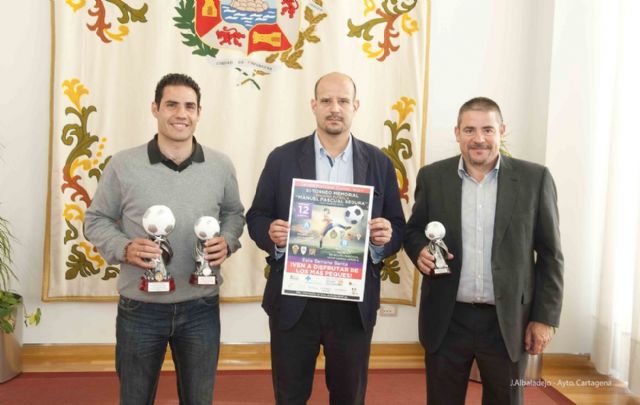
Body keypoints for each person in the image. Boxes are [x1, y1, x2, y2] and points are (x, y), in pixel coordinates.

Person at [84, 73, 245, 405]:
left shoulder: (220, 165)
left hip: (201, 305)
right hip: (140, 309)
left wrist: (227, 241)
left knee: (199, 399)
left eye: (189, 106)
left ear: (199, 112)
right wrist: (123, 247)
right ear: (155, 108)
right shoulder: (123, 164)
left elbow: (234, 214)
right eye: (172, 104)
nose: (180, 114)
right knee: (135, 398)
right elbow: (95, 220)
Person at [246, 72, 405, 405]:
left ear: (355, 106)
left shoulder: (378, 162)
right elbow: (257, 216)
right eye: (327, 101)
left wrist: (383, 239)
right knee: (290, 395)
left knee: (349, 396)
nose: (335, 108)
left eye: (343, 101)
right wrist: (273, 235)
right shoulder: (282, 158)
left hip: (352, 304)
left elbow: (397, 226)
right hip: (294, 302)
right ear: (314, 105)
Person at [404, 97, 564, 405]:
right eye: (470, 130)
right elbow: (414, 231)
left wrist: (545, 318)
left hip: (507, 322)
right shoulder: (433, 177)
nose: (479, 139)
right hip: (447, 319)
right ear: (457, 133)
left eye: (488, 129)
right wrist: (420, 250)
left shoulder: (535, 179)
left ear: (501, 131)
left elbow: (551, 254)